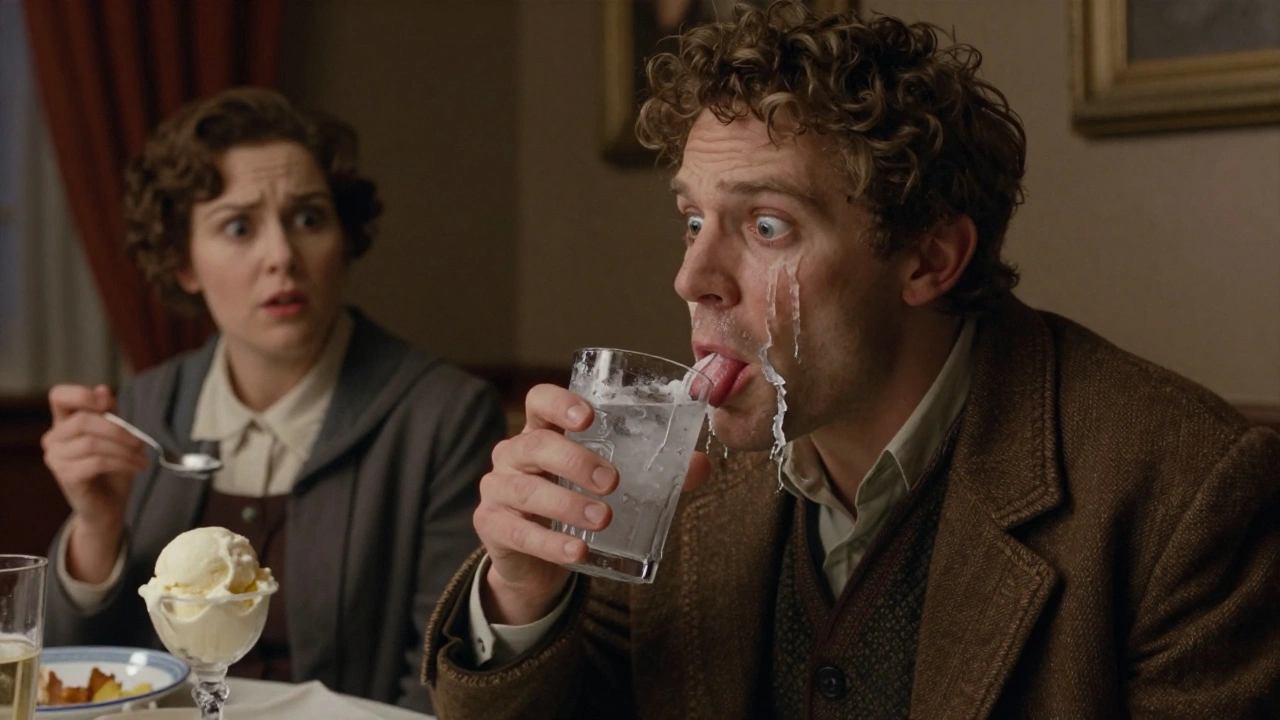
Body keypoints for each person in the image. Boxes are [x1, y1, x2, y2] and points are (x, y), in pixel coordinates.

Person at [421, 2, 1280, 718]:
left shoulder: (1186, 494)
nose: (691, 278)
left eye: (767, 226)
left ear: (929, 260)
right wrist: (523, 597)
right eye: (693, 221)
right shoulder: (667, 474)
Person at [41, 87, 505, 712]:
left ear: (343, 238)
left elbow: (443, 682)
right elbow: (81, 677)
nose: (282, 256)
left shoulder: (445, 417)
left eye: (309, 219)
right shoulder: (145, 407)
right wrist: (97, 529)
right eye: (238, 227)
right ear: (182, 261)